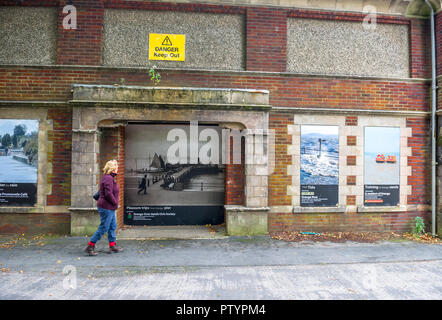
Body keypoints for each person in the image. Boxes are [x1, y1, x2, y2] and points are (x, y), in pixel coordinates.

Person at [85, 159, 123, 256]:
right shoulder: (108, 178)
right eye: (116, 167)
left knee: (112, 226)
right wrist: (115, 203)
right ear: (112, 168)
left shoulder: (109, 178)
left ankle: (112, 246)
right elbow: (108, 194)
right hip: (106, 207)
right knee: (104, 227)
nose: (117, 169)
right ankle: (90, 246)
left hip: (110, 207)